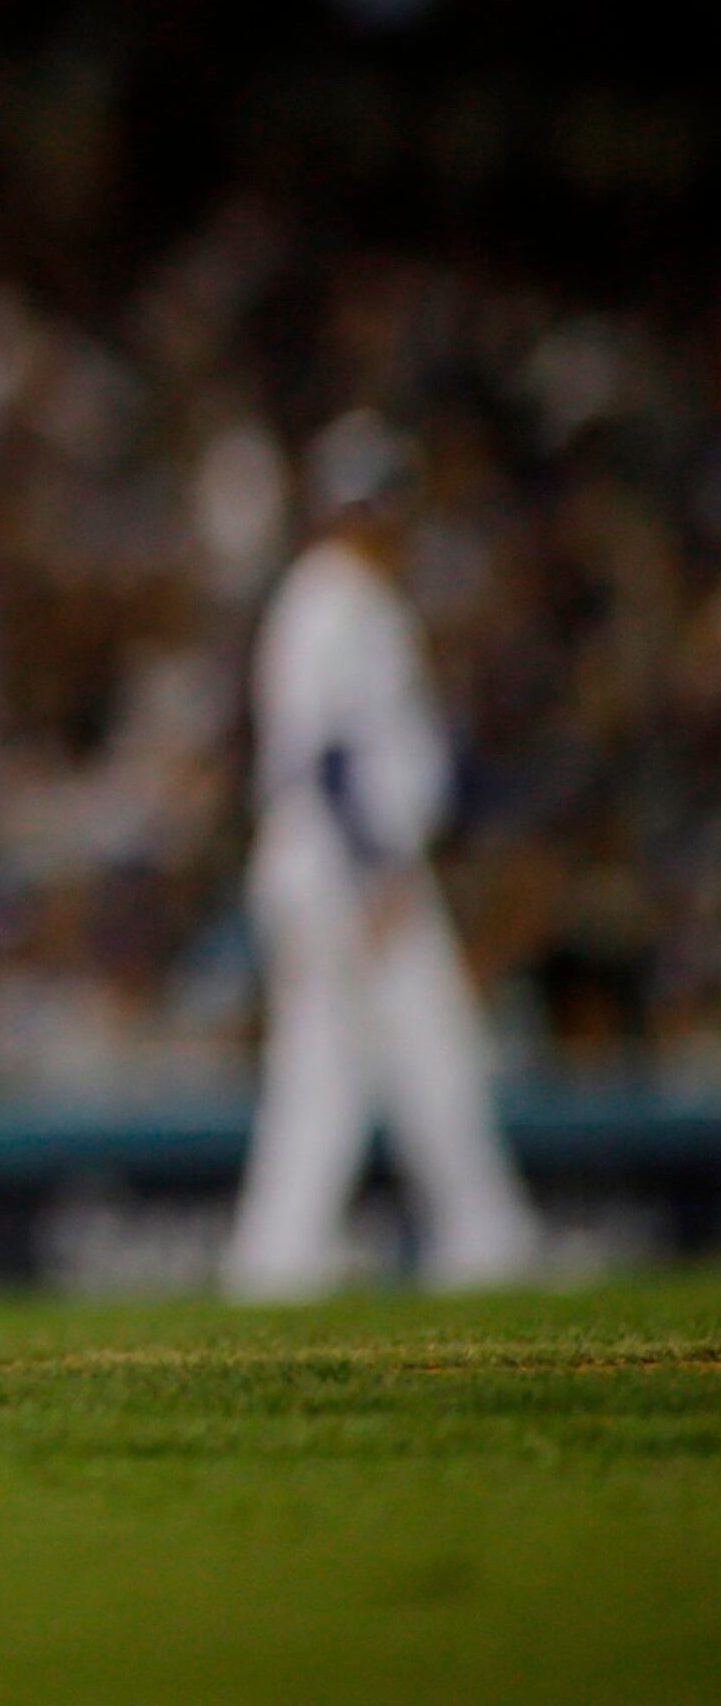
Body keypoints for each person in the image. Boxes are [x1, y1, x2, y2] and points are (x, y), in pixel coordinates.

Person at [221, 415, 542, 1300]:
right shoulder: (332, 599)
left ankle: (282, 1255)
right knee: (424, 1045)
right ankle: (483, 1235)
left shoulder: (345, 596)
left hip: (334, 860)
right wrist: (377, 870)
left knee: (329, 1067)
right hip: (343, 863)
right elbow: (325, 754)